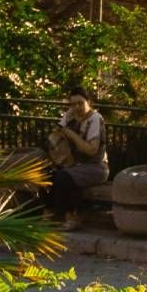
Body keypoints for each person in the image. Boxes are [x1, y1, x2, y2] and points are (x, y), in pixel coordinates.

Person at [42, 88, 109, 226]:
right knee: (47, 174)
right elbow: (55, 136)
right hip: (74, 165)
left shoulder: (95, 119)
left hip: (96, 167)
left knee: (64, 177)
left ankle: (71, 217)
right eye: (73, 104)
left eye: (80, 103)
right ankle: (49, 213)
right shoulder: (70, 116)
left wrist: (71, 134)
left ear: (88, 102)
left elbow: (91, 150)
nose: (77, 107)